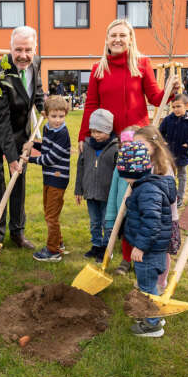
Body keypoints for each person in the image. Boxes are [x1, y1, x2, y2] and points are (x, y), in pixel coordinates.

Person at [79, 18, 179, 268]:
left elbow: (156, 98)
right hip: (110, 143)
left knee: (137, 198)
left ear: (131, 38)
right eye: (113, 35)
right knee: (114, 198)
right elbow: (91, 104)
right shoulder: (98, 69)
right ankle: (109, 243)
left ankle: (131, 254)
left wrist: (172, 90)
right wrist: (84, 136)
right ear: (107, 39)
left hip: (138, 142)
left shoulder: (142, 64)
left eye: (123, 35)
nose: (118, 39)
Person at [0, 26, 45, 249]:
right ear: (10, 48)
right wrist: (11, 157)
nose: (23, 55)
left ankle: (17, 232)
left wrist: (44, 106)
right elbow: (1, 121)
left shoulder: (36, 63)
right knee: (0, 184)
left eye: (28, 49)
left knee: (19, 183)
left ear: (35, 49)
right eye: (18, 50)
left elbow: (38, 89)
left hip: (19, 135)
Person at [116, 141, 176, 337]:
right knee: (148, 284)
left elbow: (152, 222)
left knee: (147, 286)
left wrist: (140, 247)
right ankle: (155, 315)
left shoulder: (147, 190)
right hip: (153, 248)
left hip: (149, 250)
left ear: (130, 173)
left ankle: (152, 325)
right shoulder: (145, 186)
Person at [132, 126, 180, 292]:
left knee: (161, 252)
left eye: (140, 144)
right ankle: (148, 279)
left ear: (154, 145)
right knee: (148, 248)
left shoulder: (162, 167)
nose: (136, 148)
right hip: (149, 215)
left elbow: (166, 197)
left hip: (164, 219)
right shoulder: (144, 163)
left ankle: (160, 283)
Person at [24, 95, 71, 262]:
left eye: (61, 116)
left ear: (65, 114)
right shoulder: (48, 129)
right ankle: (58, 242)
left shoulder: (62, 134)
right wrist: (34, 144)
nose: (57, 120)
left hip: (58, 179)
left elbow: (50, 159)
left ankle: (53, 251)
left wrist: (29, 160)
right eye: (53, 116)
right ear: (46, 115)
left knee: (51, 216)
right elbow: (46, 147)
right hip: (49, 178)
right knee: (49, 212)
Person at [75, 109, 119, 262]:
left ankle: (106, 247)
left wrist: (116, 194)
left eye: (99, 131)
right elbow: (80, 168)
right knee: (94, 222)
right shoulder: (86, 146)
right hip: (90, 192)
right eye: (93, 131)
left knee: (107, 223)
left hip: (107, 194)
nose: (95, 135)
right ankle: (96, 245)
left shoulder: (115, 148)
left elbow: (118, 174)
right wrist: (78, 190)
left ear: (108, 129)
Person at [158, 94, 188, 207]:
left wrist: (187, 144)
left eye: (178, 106)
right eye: (173, 107)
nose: (176, 109)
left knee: (182, 176)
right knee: (168, 176)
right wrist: (163, 141)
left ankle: (180, 197)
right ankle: (169, 196)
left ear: (186, 106)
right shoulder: (168, 119)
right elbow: (160, 132)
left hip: (182, 154)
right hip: (168, 154)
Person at [104, 127, 137, 275]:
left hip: (138, 211)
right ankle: (126, 260)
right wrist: (111, 218)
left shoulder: (144, 167)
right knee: (126, 236)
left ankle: (140, 262)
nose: (126, 147)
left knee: (138, 236)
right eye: (123, 144)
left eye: (130, 144)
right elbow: (113, 192)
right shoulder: (119, 166)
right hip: (122, 211)